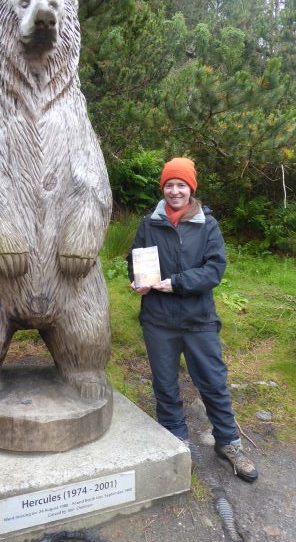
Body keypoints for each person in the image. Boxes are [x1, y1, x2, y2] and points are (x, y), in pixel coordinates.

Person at [127, 157, 258, 483]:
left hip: (199, 319)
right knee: (165, 383)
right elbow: (135, 260)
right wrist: (137, 280)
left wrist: (177, 283)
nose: (175, 191)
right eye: (169, 185)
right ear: (163, 188)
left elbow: (214, 269)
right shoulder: (149, 224)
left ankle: (228, 442)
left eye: (181, 185)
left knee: (213, 381)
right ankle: (176, 440)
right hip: (158, 319)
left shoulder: (206, 224)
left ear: (191, 188)